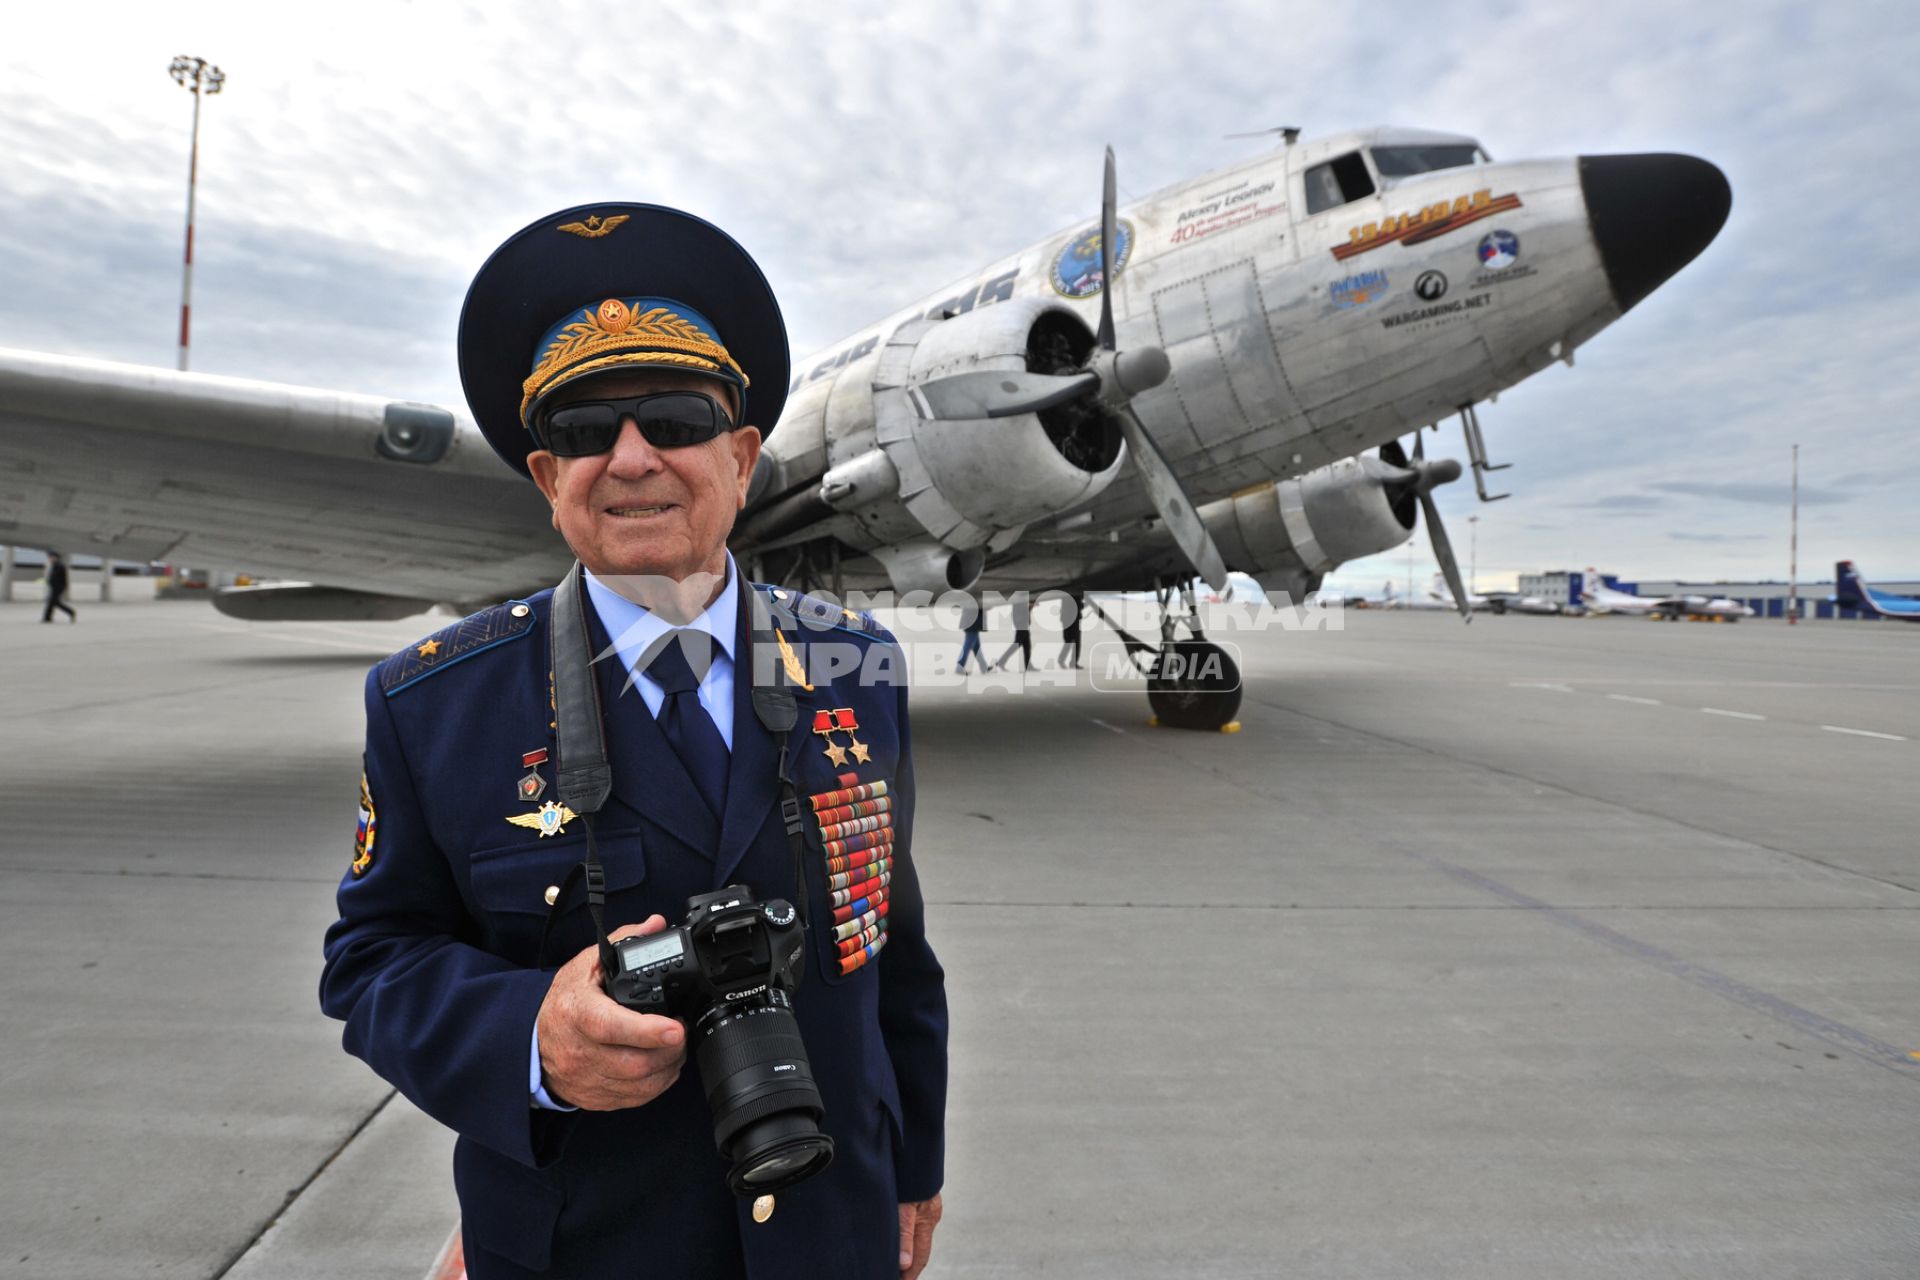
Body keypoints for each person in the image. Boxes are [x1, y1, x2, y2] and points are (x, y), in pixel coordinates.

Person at [320, 203, 947, 1280]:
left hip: (831, 1227)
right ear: (543, 480)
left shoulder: (860, 666)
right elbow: (375, 960)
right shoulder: (431, 704)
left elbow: (894, 949)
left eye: (675, 416)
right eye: (579, 431)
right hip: (579, 1245)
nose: (630, 456)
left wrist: (915, 1167)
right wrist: (533, 1038)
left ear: (742, 457)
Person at [991, 594, 1031, 672]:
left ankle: (1028, 665)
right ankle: (1001, 662)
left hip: (1022, 624)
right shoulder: (1019, 598)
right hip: (1021, 624)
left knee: (1027, 646)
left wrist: (1029, 606)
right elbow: (1021, 611)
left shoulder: (1020, 598)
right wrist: (1029, 607)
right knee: (1018, 644)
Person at [954, 598, 988, 675]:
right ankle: (959, 667)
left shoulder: (972, 595)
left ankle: (984, 667)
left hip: (971, 622)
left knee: (976, 646)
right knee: (968, 646)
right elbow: (983, 606)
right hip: (973, 623)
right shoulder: (976, 596)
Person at [41, 550, 75, 623]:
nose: (50, 559)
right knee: (54, 603)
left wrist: (63, 588)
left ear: (56, 558)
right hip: (54, 587)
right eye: (49, 557)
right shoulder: (54, 565)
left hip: (58, 587)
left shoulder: (60, 566)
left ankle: (47, 618)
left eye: (51, 557)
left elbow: (63, 579)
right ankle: (48, 618)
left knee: (52, 602)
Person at [1055, 594, 1083, 669]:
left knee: (1068, 640)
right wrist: (1083, 604)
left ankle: (1062, 659)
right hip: (1073, 618)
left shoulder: (1066, 592)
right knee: (1076, 641)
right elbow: (1078, 605)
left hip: (1065, 618)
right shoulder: (1076, 592)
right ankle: (1073, 663)